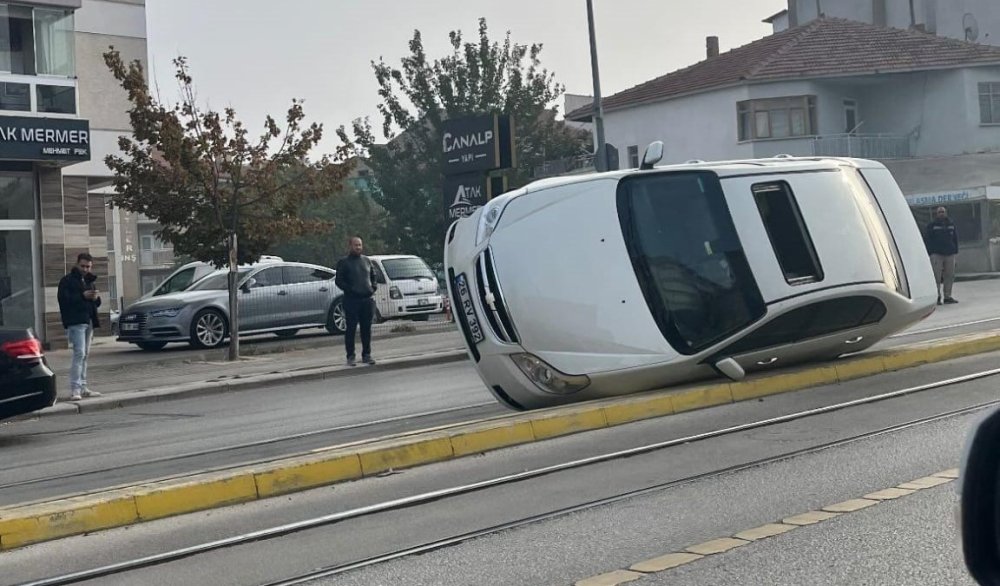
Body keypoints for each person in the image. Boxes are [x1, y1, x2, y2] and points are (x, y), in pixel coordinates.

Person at [57, 253, 103, 400]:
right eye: (83, 266)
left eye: (88, 266)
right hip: (76, 322)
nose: (85, 269)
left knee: (85, 355)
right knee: (79, 354)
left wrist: (96, 298)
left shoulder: (90, 281)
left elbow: (96, 303)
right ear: (77, 264)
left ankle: (83, 387)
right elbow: (64, 300)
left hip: (88, 320)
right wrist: (83, 296)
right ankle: (75, 389)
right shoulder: (67, 281)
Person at [335, 236, 378, 366]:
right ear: (350, 246)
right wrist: (350, 290)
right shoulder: (344, 262)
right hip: (351, 300)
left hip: (366, 300)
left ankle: (366, 355)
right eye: (355, 245)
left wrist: (373, 287)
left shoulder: (366, 260)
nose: (358, 247)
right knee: (351, 329)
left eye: (360, 245)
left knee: (366, 329)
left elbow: (373, 276)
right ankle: (350, 356)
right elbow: (339, 281)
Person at [924, 206, 960, 305]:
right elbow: (927, 239)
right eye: (939, 212)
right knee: (937, 276)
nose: (941, 213)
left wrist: (955, 251)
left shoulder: (951, 224)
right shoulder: (932, 225)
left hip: (950, 254)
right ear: (937, 213)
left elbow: (955, 239)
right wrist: (931, 252)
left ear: (946, 213)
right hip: (937, 254)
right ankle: (937, 297)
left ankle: (947, 297)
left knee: (950, 275)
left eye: (943, 212)